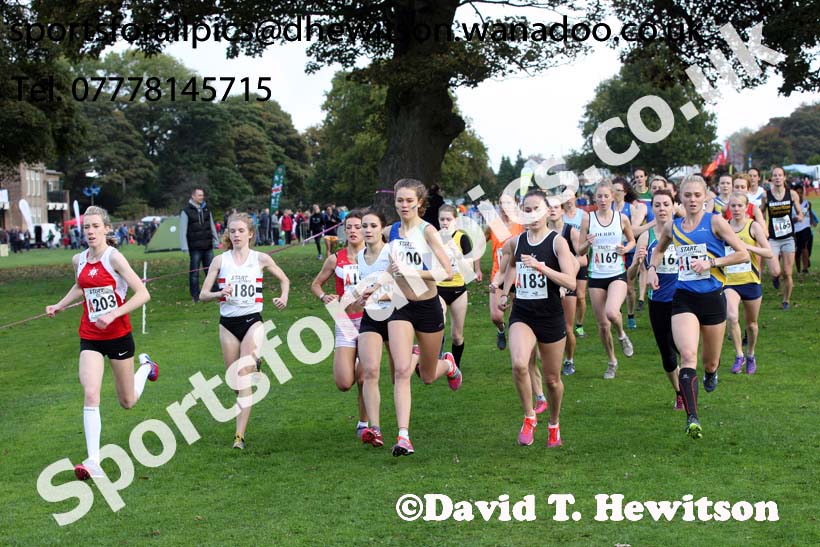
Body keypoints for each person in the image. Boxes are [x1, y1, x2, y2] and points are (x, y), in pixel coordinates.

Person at [45, 206, 159, 480]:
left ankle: (146, 367)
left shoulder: (114, 258)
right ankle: (93, 460)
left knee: (128, 401)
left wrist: (114, 314)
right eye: (87, 227)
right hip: (91, 336)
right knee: (91, 392)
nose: (90, 231)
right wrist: (59, 305)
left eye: (96, 226)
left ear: (107, 229)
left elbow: (143, 294)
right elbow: (81, 286)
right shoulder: (79, 259)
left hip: (118, 335)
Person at [647, 175, 749, 439]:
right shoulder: (673, 226)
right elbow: (658, 250)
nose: (692, 200)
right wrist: (651, 269)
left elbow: (742, 254)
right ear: (680, 196)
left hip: (713, 297)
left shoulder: (714, 221)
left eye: (696, 195)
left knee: (710, 362)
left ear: (705, 196)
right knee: (688, 355)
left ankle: (711, 374)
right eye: (687, 195)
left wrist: (712, 263)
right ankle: (692, 417)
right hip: (684, 298)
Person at [199, 213, 290, 449]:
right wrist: (219, 294)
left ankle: (239, 436)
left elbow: (285, 280)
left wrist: (283, 296)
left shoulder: (260, 259)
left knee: (243, 377)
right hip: (228, 324)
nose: (236, 235)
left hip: (252, 321)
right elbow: (202, 294)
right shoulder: (220, 261)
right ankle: (256, 363)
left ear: (250, 233)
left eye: (241, 231)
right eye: (232, 231)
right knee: (234, 381)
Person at [385, 178, 461, 457]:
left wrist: (411, 272)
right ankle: (403, 437)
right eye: (399, 200)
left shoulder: (428, 231)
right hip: (400, 306)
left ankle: (449, 366)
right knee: (402, 370)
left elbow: (447, 272)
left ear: (419, 202)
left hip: (428, 305)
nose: (403, 205)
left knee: (427, 376)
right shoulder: (391, 231)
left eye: (409, 200)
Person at [498, 191, 578, 447]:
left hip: (551, 315)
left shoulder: (557, 243)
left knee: (553, 380)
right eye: (527, 210)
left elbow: (570, 280)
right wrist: (502, 289)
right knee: (520, 365)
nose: (531, 215)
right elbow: (509, 265)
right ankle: (530, 416)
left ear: (546, 211)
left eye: (536, 209)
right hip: (523, 313)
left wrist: (541, 267)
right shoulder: (516, 241)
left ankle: (554, 424)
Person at [310, 211, 370, 440]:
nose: (354, 231)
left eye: (358, 226)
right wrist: (324, 297)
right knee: (344, 383)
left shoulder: (375, 257)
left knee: (364, 379)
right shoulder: (336, 258)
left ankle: (364, 423)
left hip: (368, 321)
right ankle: (354, 359)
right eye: (350, 227)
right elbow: (316, 284)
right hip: (343, 320)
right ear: (344, 231)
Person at [491, 195, 548, 413]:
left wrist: (561, 286)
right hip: (518, 294)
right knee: (525, 356)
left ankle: (546, 397)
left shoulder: (550, 239)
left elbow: (569, 270)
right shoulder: (509, 237)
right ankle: (538, 399)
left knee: (547, 365)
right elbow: (507, 266)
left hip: (546, 305)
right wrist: (502, 290)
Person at [630, 190, 684, 410]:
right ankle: (679, 392)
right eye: (658, 205)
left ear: (673, 206)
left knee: (684, 348)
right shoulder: (647, 236)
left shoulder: (683, 230)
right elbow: (631, 276)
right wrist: (638, 262)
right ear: (652, 209)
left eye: (666, 204)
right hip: (659, 300)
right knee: (668, 355)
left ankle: (691, 384)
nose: (662, 209)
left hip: (683, 297)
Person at [577, 180, 636, 379]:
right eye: (599, 196)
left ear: (613, 197)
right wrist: (587, 242)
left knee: (612, 312)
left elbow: (632, 241)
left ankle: (621, 335)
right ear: (594, 198)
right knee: (602, 325)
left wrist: (625, 249)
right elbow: (579, 250)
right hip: (596, 275)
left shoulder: (622, 218)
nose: (602, 200)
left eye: (606, 196)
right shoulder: (588, 219)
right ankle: (612, 361)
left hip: (616, 273)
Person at [353, 210, 396, 448]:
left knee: (400, 372)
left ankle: (421, 359)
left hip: (397, 315)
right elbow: (364, 286)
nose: (367, 230)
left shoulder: (391, 252)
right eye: (364, 226)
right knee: (369, 371)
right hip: (371, 316)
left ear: (382, 229)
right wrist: (361, 296)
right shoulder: (360, 256)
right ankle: (375, 428)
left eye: (372, 226)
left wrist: (380, 294)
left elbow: (406, 286)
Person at [724, 192, 772, 375]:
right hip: (729, 282)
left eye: (739, 206)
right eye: (733, 206)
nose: (736, 209)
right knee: (732, 317)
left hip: (750, 280)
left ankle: (751, 354)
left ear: (746, 207)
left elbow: (768, 253)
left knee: (751, 324)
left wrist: (747, 247)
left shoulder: (753, 226)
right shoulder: (724, 227)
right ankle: (739, 355)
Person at [436, 205, 480, 369]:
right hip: (438, 288)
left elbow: (468, 271)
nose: (445, 223)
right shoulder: (434, 237)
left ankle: (456, 367)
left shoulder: (462, 238)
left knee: (457, 335)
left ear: (455, 220)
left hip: (458, 290)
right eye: (442, 219)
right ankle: (438, 357)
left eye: (449, 219)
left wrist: (454, 250)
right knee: (439, 323)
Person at [549, 195, 586, 376]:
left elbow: (583, 258)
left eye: (556, 207)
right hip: (547, 284)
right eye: (549, 207)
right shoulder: (541, 233)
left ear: (562, 210)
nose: (552, 210)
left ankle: (569, 360)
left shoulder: (570, 231)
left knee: (567, 327)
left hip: (567, 283)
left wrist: (567, 279)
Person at [760, 166, 803, 310]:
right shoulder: (766, 196)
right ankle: (775, 277)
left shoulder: (792, 195)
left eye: (780, 175)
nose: (777, 178)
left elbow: (800, 212)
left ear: (784, 178)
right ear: (771, 178)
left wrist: (799, 217)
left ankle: (786, 301)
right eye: (775, 175)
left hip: (788, 238)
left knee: (788, 272)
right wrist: (763, 228)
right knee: (775, 271)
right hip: (773, 238)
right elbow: (761, 213)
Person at [612, 177, 651, 330]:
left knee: (629, 287)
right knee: (614, 285)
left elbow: (634, 232)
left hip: (628, 250)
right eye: (613, 190)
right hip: (612, 253)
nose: (615, 193)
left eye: (618, 190)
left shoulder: (631, 208)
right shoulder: (607, 209)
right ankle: (616, 313)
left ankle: (630, 315)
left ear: (625, 192)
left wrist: (627, 245)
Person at [487, 194, 524, 350]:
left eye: (508, 203)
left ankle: (513, 336)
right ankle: (501, 329)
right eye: (501, 203)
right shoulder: (494, 225)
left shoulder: (521, 225)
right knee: (496, 316)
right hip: (498, 274)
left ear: (515, 204)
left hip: (517, 274)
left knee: (515, 314)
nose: (504, 206)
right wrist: (476, 267)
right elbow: (480, 242)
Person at [179, 187, 219, 303]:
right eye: (199, 195)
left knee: (211, 271)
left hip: (208, 246)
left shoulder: (207, 209)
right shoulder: (186, 211)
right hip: (195, 247)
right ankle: (195, 296)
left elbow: (211, 225)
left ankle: (215, 293)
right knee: (194, 273)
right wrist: (184, 246)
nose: (202, 197)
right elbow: (183, 230)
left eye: (202, 195)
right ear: (193, 196)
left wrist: (216, 240)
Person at [562, 194, 590, 339]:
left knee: (580, 296)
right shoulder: (559, 216)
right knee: (563, 296)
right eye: (564, 197)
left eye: (570, 196)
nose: (568, 200)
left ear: (575, 197)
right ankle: (564, 326)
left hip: (579, 257)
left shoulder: (583, 215)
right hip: (563, 261)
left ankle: (579, 325)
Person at [792, 183, 816, 274]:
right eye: (797, 193)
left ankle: (805, 268)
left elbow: (810, 214)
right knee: (798, 251)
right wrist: (795, 219)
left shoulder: (807, 203)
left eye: (801, 193)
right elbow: (789, 219)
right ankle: (799, 270)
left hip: (806, 228)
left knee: (805, 247)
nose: (799, 195)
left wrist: (813, 222)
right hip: (795, 230)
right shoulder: (791, 206)